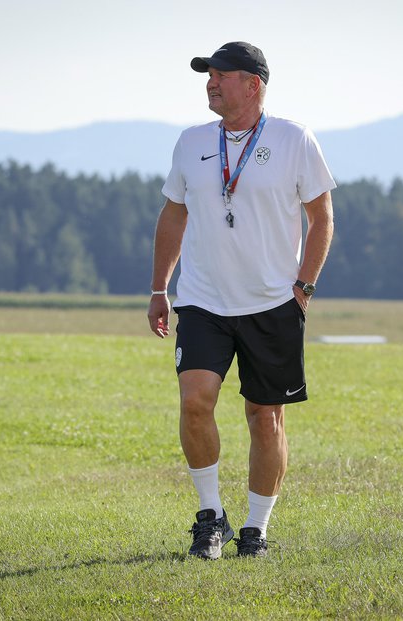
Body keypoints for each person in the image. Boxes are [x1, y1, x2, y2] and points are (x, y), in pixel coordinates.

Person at [147, 42, 335, 560]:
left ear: (253, 84)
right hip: (204, 301)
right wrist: (160, 287)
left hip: (273, 303)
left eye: (221, 75)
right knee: (194, 402)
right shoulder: (190, 142)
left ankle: (256, 529)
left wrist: (303, 287)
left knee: (264, 416)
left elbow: (321, 218)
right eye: (208, 75)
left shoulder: (294, 139)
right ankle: (210, 518)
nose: (210, 83)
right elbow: (173, 216)